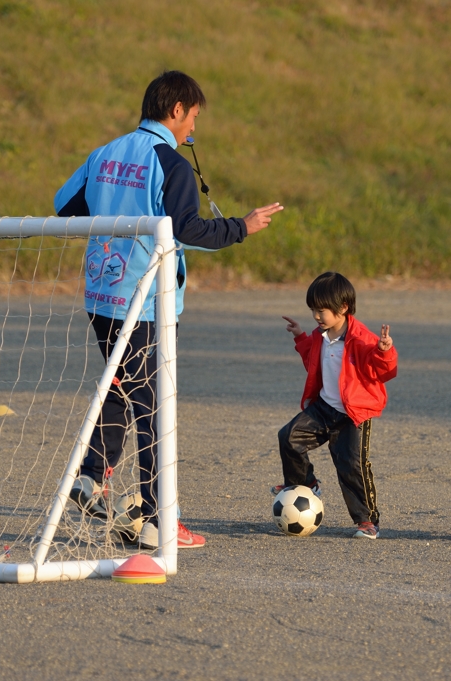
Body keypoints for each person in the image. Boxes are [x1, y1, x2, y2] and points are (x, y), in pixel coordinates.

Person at [54, 70, 283, 550]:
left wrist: (115, 217)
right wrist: (244, 226)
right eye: (194, 116)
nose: (193, 129)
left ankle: (91, 477)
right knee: (155, 409)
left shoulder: (104, 153)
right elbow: (188, 231)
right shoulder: (171, 165)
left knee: (121, 386)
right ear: (176, 110)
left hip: (100, 295)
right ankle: (160, 520)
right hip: (146, 304)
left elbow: (64, 206)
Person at [275, 272, 398, 539]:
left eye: (321, 310)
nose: (316, 316)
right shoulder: (321, 336)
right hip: (324, 408)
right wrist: (299, 336)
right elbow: (312, 359)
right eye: (313, 310)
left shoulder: (362, 338)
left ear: (343, 307)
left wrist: (385, 351)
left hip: (352, 415)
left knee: (351, 464)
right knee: (289, 436)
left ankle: (367, 521)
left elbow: (384, 372)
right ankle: (305, 485)